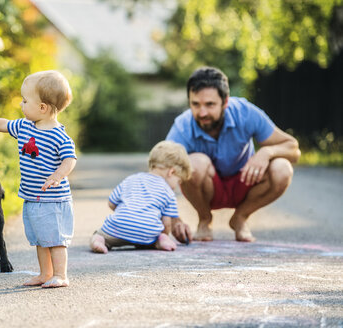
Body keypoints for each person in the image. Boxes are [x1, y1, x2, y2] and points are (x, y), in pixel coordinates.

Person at [0, 70, 76, 288]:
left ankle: (60, 275)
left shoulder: (59, 135)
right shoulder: (25, 127)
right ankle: (45, 274)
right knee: (41, 240)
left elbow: (70, 159)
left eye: (25, 101)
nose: (21, 105)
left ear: (42, 107)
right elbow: (3, 124)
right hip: (33, 197)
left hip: (54, 200)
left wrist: (57, 176)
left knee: (55, 240)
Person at [166, 66, 301, 242]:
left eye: (210, 104)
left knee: (282, 169)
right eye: (195, 104)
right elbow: (160, 175)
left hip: (245, 182)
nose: (202, 113)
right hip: (207, 189)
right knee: (195, 163)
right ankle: (205, 219)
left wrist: (267, 152)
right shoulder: (182, 126)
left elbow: (293, 149)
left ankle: (240, 218)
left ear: (225, 102)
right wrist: (175, 220)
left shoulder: (246, 113)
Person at [90, 141, 193, 254]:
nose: (176, 186)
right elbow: (167, 223)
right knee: (155, 238)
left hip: (118, 228)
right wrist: (164, 235)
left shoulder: (131, 179)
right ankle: (161, 241)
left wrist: (128, 212)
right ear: (171, 172)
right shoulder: (168, 192)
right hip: (147, 234)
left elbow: (111, 203)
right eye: (178, 181)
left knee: (99, 235)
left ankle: (99, 241)